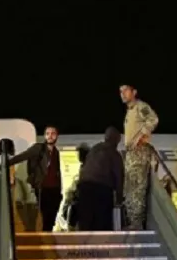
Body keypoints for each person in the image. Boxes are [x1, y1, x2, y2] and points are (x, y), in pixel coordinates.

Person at [5, 125, 62, 232]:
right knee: (44, 215)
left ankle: (48, 234)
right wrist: (6, 163)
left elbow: (57, 171)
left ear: (57, 136)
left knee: (51, 216)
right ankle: (45, 236)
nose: (50, 136)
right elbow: (23, 156)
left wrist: (60, 189)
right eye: (48, 134)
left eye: (53, 134)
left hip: (55, 189)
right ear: (44, 136)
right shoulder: (39, 148)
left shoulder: (56, 152)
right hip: (43, 187)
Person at [66, 127, 124, 231]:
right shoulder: (114, 154)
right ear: (116, 140)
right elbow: (119, 178)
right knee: (102, 224)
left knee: (86, 222)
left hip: (84, 188)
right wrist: (119, 200)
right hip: (101, 191)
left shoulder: (94, 149)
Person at [119, 84, 160, 230]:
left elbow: (153, 119)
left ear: (134, 92)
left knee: (137, 188)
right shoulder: (130, 111)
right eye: (120, 91)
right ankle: (132, 221)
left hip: (139, 151)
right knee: (130, 188)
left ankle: (137, 223)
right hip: (131, 153)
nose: (122, 93)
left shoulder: (140, 106)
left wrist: (142, 136)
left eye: (126, 90)